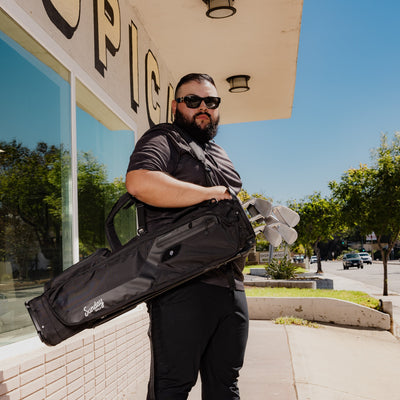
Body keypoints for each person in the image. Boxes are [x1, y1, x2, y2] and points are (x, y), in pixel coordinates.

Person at [125, 73, 248, 399]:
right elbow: (139, 182)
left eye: (211, 101)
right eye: (192, 101)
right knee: (172, 390)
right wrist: (209, 194)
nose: (202, 107)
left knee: (226, 386)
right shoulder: (164, 139)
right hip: (183, 287)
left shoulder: (221, 154)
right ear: (176, 105)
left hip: (231, 290)